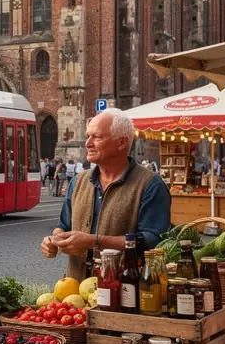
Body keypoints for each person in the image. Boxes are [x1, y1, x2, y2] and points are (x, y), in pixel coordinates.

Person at [41, 109, 171, 281]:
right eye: (88, 136)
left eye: (97, 137)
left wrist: (94, 241)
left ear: (122, 142)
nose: (87, 143)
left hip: (125, 287)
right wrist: (54, 240)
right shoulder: (78, 181)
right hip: (76, 285)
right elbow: (64, 225)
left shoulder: (150, 184)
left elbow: (153, 240)